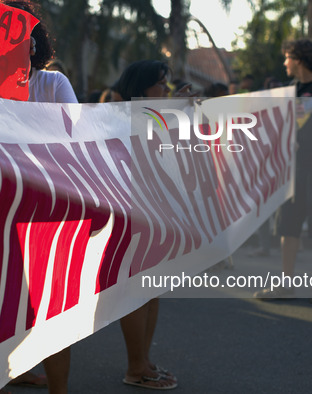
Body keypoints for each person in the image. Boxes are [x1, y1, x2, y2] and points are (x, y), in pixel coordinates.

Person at [0, 1, 77, 392]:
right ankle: (9, 372)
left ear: (33, 43)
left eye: (20, 34)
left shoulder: (51, 84)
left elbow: (75, 137)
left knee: (51, 307)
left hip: (44, 211)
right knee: (0, 304)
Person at [113, 59, 195, 390]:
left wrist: (182, 110)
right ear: (142, 87)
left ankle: (143, 362)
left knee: (152, 290)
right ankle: (135, 366)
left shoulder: (151, 116)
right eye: (161, 83)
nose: (166, 89)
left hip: (156, 211)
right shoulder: (122, 118)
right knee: (136, 291)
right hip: (133, 213)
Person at [254, 39, 312, 303]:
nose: (284, 63)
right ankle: (286, 284)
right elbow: (285, 127)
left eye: (287, 57)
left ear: (299, 58)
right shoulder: (289, 91)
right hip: (293, 171)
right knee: (288, 227)